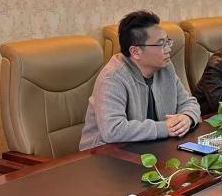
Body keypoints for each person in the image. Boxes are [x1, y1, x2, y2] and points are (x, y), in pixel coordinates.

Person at [80, 10, 200, 149]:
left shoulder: (165, 67)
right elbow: (113, 130)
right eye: (161, 44)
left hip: (150, 148)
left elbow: (189, 102)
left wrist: (187, 118)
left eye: (168, 41)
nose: (168, 49)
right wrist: (164, 128)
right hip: (104, 153)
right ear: (136, 52)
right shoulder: (112, 78)